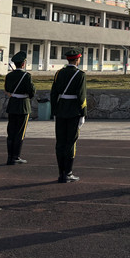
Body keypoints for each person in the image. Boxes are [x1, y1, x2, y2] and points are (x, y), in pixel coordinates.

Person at [50, 48, 87, 183]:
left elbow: (53, 94)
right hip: (73, 111)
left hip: (60, 110)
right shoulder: (80, 74)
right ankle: (68, 173)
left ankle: (61, 173)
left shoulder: (59, 73)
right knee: (70, 142)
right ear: (77, 60)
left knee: (60, 142)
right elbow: (81, 96)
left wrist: (54, 111)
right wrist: (83, 113)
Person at [5, 50, 36, 165]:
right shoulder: (26, 76)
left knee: (11, 132)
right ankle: (16, 157)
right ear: (23, 64)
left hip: (12, 104)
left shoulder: (9, 75)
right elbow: (31, 91)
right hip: (23, 105)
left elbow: (7, 89)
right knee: (20, 133)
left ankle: (10, 157)